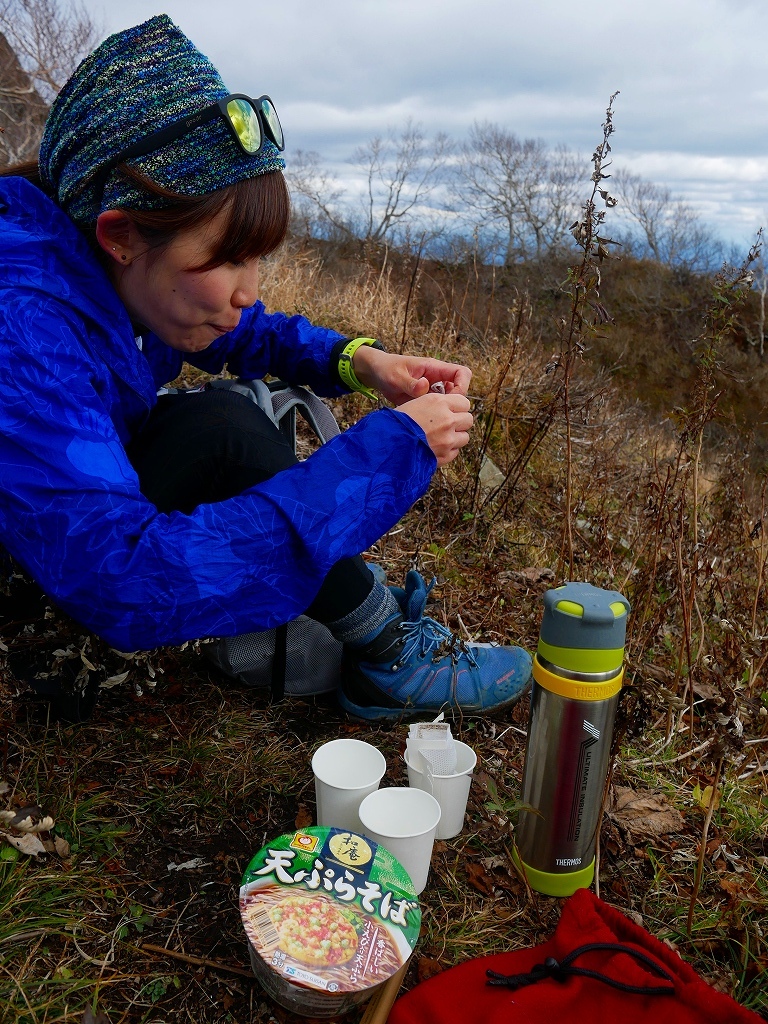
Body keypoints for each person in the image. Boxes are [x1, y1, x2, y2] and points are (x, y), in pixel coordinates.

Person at [0, 14, 531, 723]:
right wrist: (391, 451)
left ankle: (371, 630)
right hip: (34, 590)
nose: (248, 288)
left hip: (45, 529)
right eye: (226, 258)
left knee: (217, 420)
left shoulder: (90, 264)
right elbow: (123, 582)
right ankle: (387, 652)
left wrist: (359, 361)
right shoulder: (21, 331)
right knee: (218, 426)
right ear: (121, 234)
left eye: (257, 257)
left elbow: (236, 326)